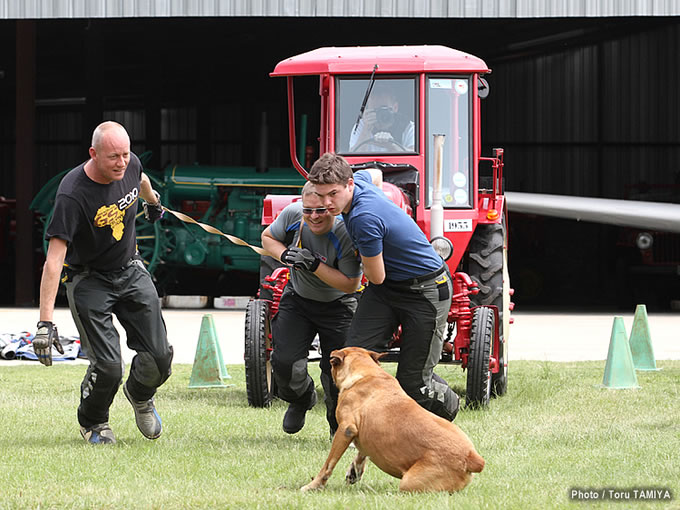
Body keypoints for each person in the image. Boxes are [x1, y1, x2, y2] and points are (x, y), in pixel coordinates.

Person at [34, 121, 174, 445]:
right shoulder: (72, 194)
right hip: (89, 279)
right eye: (113, 157)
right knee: (109, 367)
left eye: (125, 154)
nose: (121, 163)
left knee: (160, 357)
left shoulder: (130, 164)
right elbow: (54, 260)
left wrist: (153, 204)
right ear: (93, 154)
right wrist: (44, 323)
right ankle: (93, 421)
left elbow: (141, 179)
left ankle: (140, 395)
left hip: (129, 268)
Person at [308, 152, 460, 422]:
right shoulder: (362, 181)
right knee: (349, 363)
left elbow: (374, 276)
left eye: (333, 194)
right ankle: (348, 431)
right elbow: (375, 174)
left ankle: (449, 408)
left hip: (425, 291)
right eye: (320, 195)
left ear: (349, 184)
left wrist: (345, 253)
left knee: (414, 384)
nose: (326, 203)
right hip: (388, 289)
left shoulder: (364, 219)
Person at [261, 181, 362, 436]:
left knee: (337, 372)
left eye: (321, 211)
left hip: (339, 305)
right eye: (309, 210)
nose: (314, 216)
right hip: (298, 300)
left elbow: (351, 284)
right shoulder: (294, 214)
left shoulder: (345, 233)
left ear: (332, 207)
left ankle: (336, 428)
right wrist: (284, 255)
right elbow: (267, 238)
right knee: (283, 364)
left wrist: (315, 266)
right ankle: (302, 399)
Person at [349, 89, 415, 152]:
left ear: (395, 107)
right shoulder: (362, 126)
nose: (380, 114)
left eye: (384, 109)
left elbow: (416, 156)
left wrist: (392, 146)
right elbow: (352, 157)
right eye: (375, 110)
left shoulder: (407, 126)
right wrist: (366, 130)